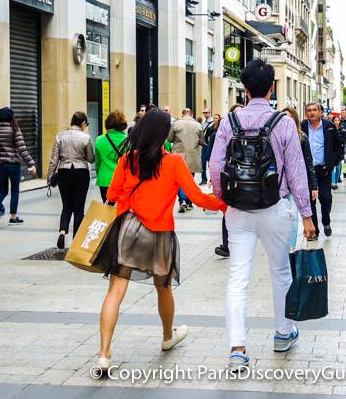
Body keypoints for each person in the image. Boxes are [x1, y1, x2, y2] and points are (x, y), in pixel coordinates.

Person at [95, 108, 226, 373]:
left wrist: (127, 208)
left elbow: (112, 193)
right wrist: (225, 205)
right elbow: (197, 197)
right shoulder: (174, 162)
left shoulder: (127, 160)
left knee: (115, 291)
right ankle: (168, 336)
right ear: (164, 133)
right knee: (163, 287)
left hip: (128, 229)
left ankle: (104, 353)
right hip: (160, 233)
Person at [210, 59, 316, 371]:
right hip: (274, 208)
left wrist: (224, 197)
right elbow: (297, 174)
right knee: (281, 272)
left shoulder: (229, 122)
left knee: (237, 277)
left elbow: (216, 167)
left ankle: (238, 348)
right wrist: (307, 216)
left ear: (244, 89)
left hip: (238, 211)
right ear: (272, 87)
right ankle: (283, 333)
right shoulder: (283, 123)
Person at [48, 112, 95, 249]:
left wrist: (50, 177)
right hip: (81, 173)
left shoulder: (60, 136)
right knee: (79, 208)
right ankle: (76, 239)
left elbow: (53, 160)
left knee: (67, 206)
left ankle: (62, 232)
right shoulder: (86, 137)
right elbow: (91, 158)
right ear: (83, 123)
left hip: (64, 172)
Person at [0, 107, 37, 226]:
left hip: (0, 164)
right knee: (14, 190)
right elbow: (22, 149)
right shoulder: (14, 128)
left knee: (3, 189)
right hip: (13, 164)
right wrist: (31, 164)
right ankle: (13, 217)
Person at [301, 102, 343, 237]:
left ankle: (326, 220)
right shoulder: (301, 127)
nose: (312, 112)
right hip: (307, 170)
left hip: (324, 169)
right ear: (306, 113)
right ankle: (315, 230)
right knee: (310, 200)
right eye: (309, 110)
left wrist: (332, 163)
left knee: (326, 198)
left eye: (314, 110)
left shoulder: (329, 126)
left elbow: (338, 147)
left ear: (320, 112)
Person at [282, 107, 319, 247]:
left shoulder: (302, 138)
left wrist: (313, 185)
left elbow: (309, 163)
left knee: (292, 215)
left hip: (296, 183)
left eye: (289, 117)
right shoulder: (276, 136)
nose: (287, 120)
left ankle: (290, 247)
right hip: (280, 183)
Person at [214, 104, 244, 258]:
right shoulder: (225, 129)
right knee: (228, 211)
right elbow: (216, 159)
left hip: (247, 177)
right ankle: (227, 245)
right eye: (236, 113)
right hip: (230, 176)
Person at [168, 108, 204, 213]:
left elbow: (169, 139)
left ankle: (182, 200)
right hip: (192, 157)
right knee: (190, 180)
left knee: (179, 181)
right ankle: (188, 202)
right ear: (191, 114)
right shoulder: (198, 125)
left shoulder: (176, 124)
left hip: (178, 156)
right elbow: (202, 141)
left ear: (182, 114)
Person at [94, 110, 128, 203]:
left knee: (107, 209)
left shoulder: (99, 140)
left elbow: (98, 163)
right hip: (123, 180)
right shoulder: (129, 141)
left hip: (105, 179)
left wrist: (99, 174)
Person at [199, 108, 213, 185]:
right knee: (203, 163)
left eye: (206, 112)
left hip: (211, 145)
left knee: (211, 163)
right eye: (204, 112)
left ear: (209, 113)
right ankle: (204, 179)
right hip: (204, 145)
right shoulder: (202, 123)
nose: (205, 114)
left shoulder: (213, 122)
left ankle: (212, 179)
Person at [331, 115, 344, 189]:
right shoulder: (330, 130)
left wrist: (345, 152)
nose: (336, 121)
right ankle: (333, 183)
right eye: (335, 120)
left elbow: (345, 142)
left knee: (338, 168)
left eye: (338, 120)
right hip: (332, 151)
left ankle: (335, 182)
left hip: (339, 151)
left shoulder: (342, 131)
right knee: (332, 168)